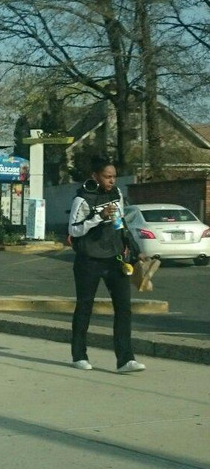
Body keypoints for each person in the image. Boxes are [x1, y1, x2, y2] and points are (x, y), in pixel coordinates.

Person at [67, 155, 146, 373]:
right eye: (107, 176)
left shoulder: (117, 194)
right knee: (85, 306)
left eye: (114, 177)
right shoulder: (82, 199)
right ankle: (79, 355)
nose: (112, 181)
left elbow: (120, 224)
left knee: (124, 308)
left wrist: (134, 251)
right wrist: (98, 217)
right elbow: (74, 230)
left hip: (114, 258)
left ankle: (125, 359)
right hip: (88, 260)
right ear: (95, 176)